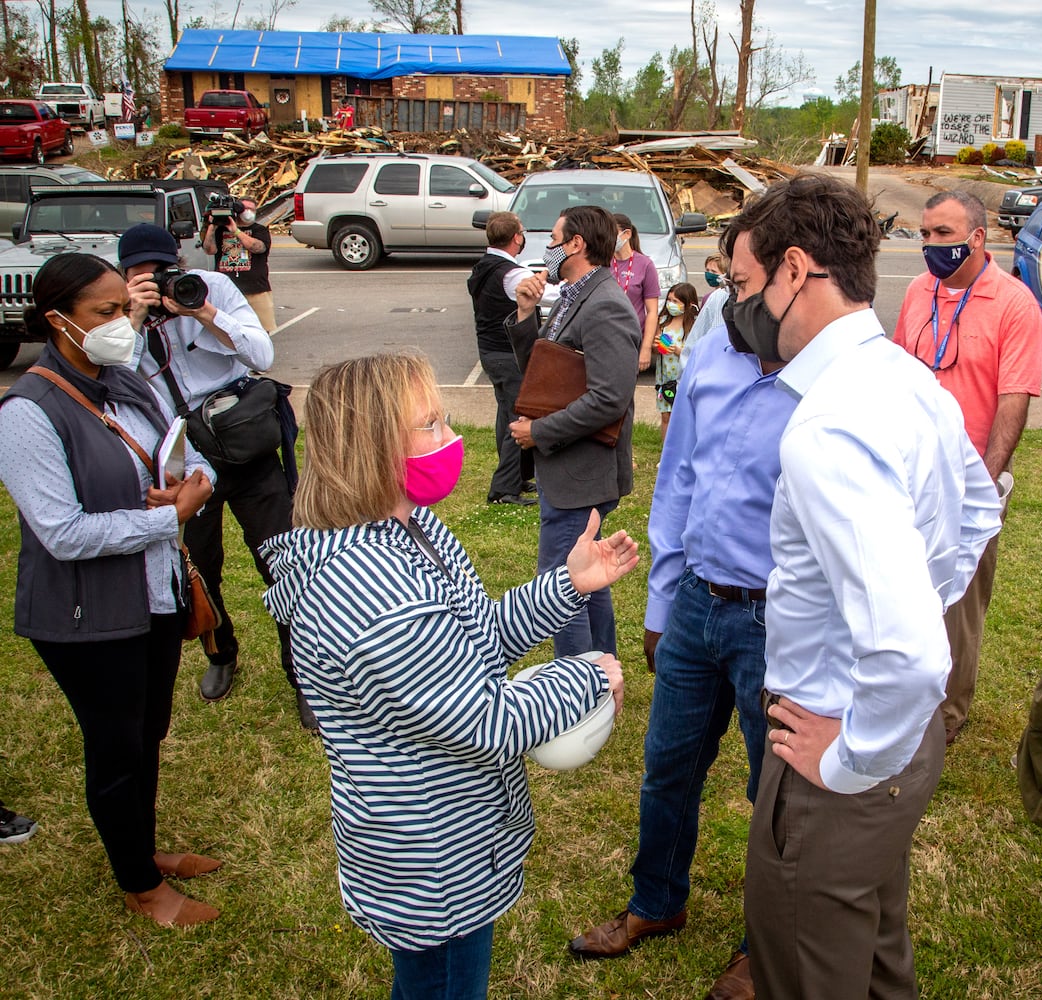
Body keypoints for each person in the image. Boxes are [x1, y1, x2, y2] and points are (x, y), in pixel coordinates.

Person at [261, 353, 637, 1000]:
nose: (451, 439)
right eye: (430, 424)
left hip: (446, 831)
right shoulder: (373, 590)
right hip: (433, 857)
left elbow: (469, 642)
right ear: (371, 444)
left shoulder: (405, 528)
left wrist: (567, 586)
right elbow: (485, 720)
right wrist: (588, 676)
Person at [727, 174, 1001, 998]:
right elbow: (979, 513)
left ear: (794, 270)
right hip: (896, 735)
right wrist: (914, 592)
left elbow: (912, 656)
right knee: (877, 957)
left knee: (809, 967)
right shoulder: (908, 378)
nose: (732, 306)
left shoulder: (829, 426)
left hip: (840, 742)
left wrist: (847, 761)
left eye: (740, 285)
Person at [567, 315, 797, 1000]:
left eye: (746, 280)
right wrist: (661, 606)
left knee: (774, 794)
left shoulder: (831, 372)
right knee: (667, 766)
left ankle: (765, 948)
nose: (731, 295)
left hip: (776, 619)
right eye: (729, 275)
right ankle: (656, 901)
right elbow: (677, 481)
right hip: (698, 600)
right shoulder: (712, 354)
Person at [0, 253, 220, 927]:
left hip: (154, 597)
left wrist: (197, 482)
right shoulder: (26, 412)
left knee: (147, 733)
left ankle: (143, 851)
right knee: (117, 747)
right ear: (56, 320)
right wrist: (165, 517)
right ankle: (138, 885)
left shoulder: (124, 381)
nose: (121, 324)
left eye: (124, 309)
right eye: (105, 312)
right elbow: (62, 532)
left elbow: (184, 451)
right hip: (85, 615)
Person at [119, 223, 303, 722]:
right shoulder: (119, 311)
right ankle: (221, 652)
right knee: (199, 565)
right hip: (180, 453)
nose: (157, 282)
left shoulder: (210, 287)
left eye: (163, 270)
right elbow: (116, 384)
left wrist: (201, 310)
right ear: (125, 277)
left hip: (243, 442)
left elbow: (261, 354)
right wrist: (134, 319)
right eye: (142, 275)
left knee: (283, 562)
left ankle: (302, 675)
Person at [893, 189, 1042, 745]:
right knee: (905, 588)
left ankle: (945, 718)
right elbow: (899, 374)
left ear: (977, 238)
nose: (931, 245)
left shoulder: (1014, 303)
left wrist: (983, 480)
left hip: (969, 480)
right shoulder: (916, 292)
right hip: (910, 474)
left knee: (958, 602)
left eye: (943, 235)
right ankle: (903, 693)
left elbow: (1014, 397)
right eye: (925, 234)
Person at [506, 206, 640, 659]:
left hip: (582, 475)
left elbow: (609, 399)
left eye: (555, 236)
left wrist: (540, 431)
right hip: (567, 471)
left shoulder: (604, 304)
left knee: (560, 583)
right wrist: (526, 313)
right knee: (587, 578)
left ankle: (578, 695)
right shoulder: (571, 295)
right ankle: (601, 675)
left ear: (576, 243)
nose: (548, 245)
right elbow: (545, 373)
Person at [468, 210, 535, 506]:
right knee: (516, 419)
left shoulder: (484, 266)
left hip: (490, 352)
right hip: (508, 355)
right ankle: (504, 489)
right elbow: (545, 294)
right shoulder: (513, 274)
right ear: (517, 238)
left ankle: (517, 476)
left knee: (505, 415)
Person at [201, 198, 276, 333]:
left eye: (252, 209)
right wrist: (212, 227)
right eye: (244, 208)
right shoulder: (220, 230)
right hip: (227, 290)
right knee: (228, 330)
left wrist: (236, 231)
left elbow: (257, 247)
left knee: (262, 331)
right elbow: (209, 250)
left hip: (256, 289)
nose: (248, 212)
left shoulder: (260, 230)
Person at [609, 213, 661, 372]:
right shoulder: (604, 262)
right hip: (607, 335)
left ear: (627, 234)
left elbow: (652, 311)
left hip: (631, 338)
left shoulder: (645, 264)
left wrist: (646, 348)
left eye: (612, 233)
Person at [652, 282, 698, 436]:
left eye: (676, 301)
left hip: (682, 380)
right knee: (666, 416)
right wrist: (657, 347)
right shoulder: (663, 321)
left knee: (683, 416)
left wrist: (678, 351)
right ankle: (666, 454)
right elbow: (655, 348)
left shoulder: (693, 325)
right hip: (664, 379)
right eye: (669, 300)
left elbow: (695, 353)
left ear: (688, 304)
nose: (671, 304)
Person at [683, 253, 730, 367]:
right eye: (707, 270)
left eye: (714, 272)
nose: (709, 275)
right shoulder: (708, 298)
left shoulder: (722, 296)